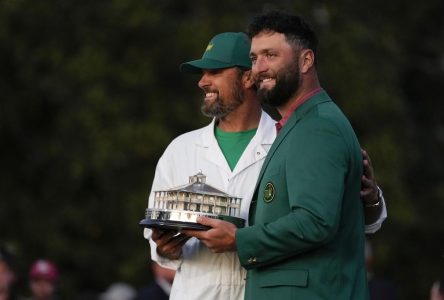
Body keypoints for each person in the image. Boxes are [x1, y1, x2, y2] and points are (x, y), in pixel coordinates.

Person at [146, 30, 386, 299]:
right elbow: (157, 243)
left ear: (248, 77)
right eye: (201, 74)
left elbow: (344, 222)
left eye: (214, 72)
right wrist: (165, 249)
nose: (202, 82)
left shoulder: (291, 138)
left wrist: (372, 198)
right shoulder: (180, 150)